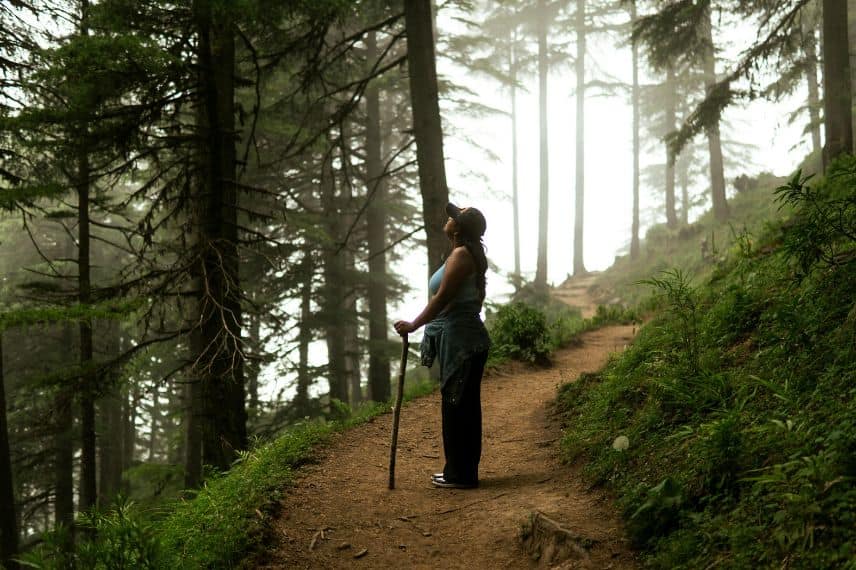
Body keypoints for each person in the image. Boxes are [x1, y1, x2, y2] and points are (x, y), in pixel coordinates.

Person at [394, 202, 491, 489]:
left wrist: (414, 324)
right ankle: (458, 471)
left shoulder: (462, 256)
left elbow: (440, 299)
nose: (448, 219)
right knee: (460, 406)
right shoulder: (461, 253)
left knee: (459, 406)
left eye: (454, 217)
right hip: (462, 338)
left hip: (463, 342)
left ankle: (461, 475)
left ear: (459, 228)